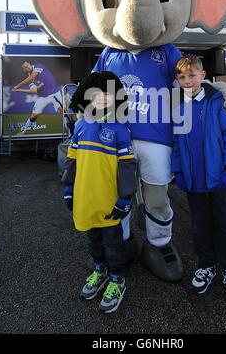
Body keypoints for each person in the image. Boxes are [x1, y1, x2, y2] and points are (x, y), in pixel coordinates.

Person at [171, 55, 226, 302]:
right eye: (182, 77)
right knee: (200, 226)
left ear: (203, 76)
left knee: (224, 225)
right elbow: (176, 144)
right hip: (194, 182)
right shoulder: (178, 108)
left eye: (192, 75)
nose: (187, 81)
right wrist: (179, 172)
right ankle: (207, 265)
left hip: (219, 179)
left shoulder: (216, 103)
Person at [61, 71, 137, 314]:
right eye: (97, 92)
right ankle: (99, 270)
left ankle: (117, 279)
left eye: (108, 92)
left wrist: (125, 197)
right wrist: (67, 189)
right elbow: (71, 162)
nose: (102, 97)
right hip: (85, 200)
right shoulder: (81, 127)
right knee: (93, 242)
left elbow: (127, 166)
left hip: (109, 202)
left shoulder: (121, 129)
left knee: (113, 244)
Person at [12, 61, 63, 133]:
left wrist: (18, 86)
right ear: (24, 70)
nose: (28, 67)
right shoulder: (30, 80)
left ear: (30, 64)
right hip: (43, 97)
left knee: (62, 111)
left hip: (55, 93)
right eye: (25, 67)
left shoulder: (38, 66)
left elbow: (33, 76)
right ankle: (24, 131)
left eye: (28, 65)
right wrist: (20, 90)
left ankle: (70, 132)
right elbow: (34, 91)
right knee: (34, 116)